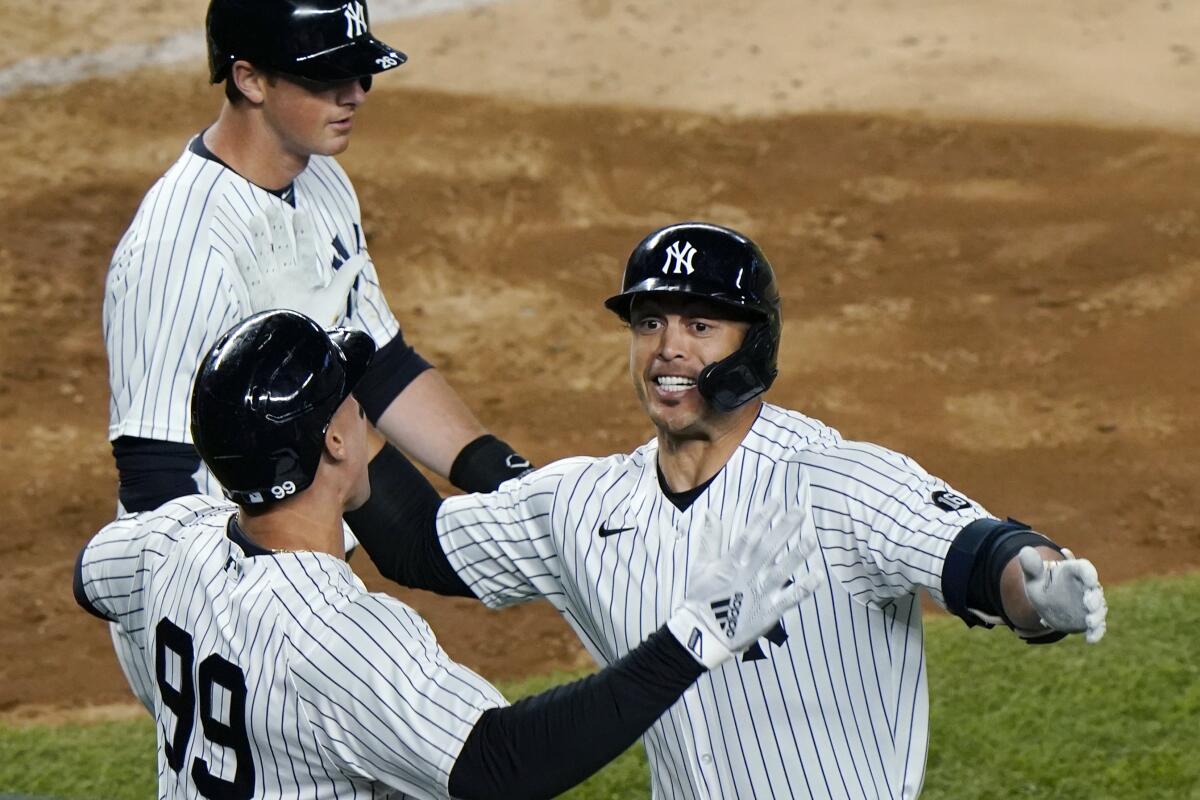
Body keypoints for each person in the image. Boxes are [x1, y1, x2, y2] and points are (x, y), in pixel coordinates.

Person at [335, 222, 1109, 799]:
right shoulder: (583, 504)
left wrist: (1035, 584)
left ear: (752, 347)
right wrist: (334, 406)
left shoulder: (837, 484)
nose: (667, 348)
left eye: (699, 326)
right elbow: (420, 545)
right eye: (649, 324)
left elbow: (975, 554)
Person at [73, 309, 822, 799]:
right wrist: (695, 637)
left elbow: (89, 576)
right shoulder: (338, 636)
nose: (364, 409)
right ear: (337, 441)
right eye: (348, 397)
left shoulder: (173, 543)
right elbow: (503, 764)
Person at [102, 0, 531, 711]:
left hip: (305, 570)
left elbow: (380, 364)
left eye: (359, 72)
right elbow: (156, 487)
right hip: (223, 598)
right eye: (327, 77)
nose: (354, 93)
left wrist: (503, 476)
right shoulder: (182, 250)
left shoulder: (321, 177)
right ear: (249, 79)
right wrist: (258, 615)